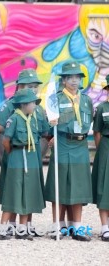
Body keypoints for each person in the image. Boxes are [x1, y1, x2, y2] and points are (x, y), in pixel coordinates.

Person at [0, 69, 48, 236]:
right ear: (20, 86)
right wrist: (17, 126)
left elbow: (45, 131)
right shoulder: (11, 104)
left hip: (33, 153)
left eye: (35, 86)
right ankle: (10, 224)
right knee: (14, 188)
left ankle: (27, 225)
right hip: (15, 153)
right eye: (29, 86)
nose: (33, 89)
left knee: (31, 187)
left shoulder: (37, 108)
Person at [44, 61, 93, 242]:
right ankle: (58, 226)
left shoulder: (86, 100)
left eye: (77, 77)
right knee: (60, 185)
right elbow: (46, 124)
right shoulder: (55, 99)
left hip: (80, 145)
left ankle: (77, 227)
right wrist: (51, 132)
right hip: (63, 143)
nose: (74, 81)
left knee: (78, 186)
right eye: (70, 77)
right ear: (63, 80)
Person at [91, 74, 109, 242]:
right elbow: (97, 131)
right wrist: (101, 150)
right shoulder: (102, 108)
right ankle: (104, 227)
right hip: (106, 146)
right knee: (104, 184)